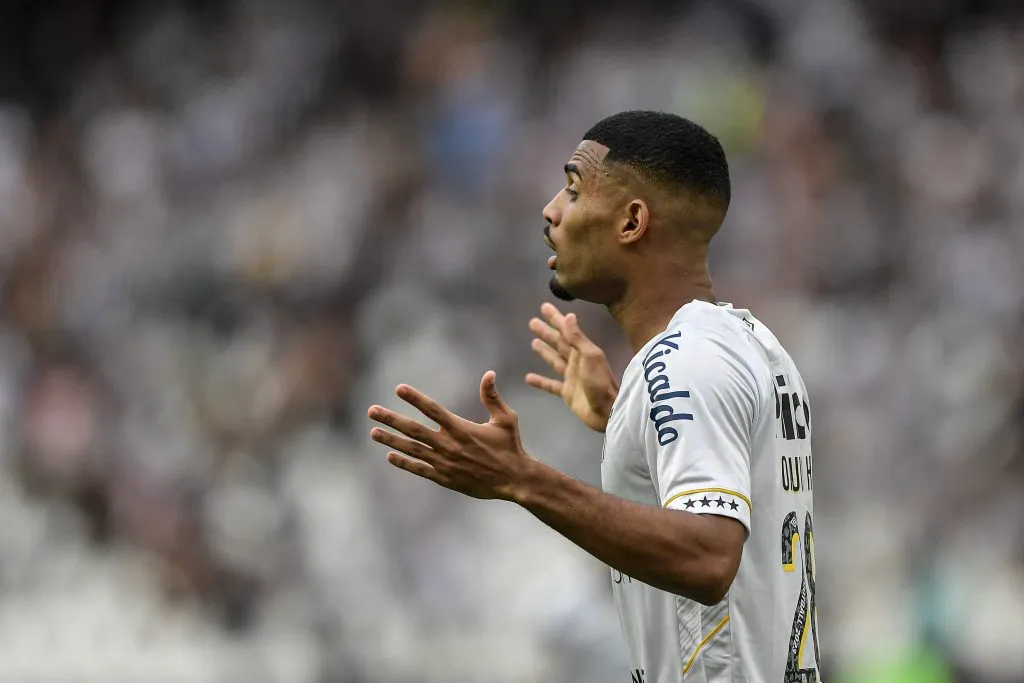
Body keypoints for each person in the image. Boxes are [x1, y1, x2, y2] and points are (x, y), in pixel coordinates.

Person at [368, 110, 821, 683]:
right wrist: (623, 417)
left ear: (632, 222)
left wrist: (520, 479)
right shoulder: (751, 344)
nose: (551, 210)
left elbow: (709, 557)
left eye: (574, 189)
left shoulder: (688, 362)